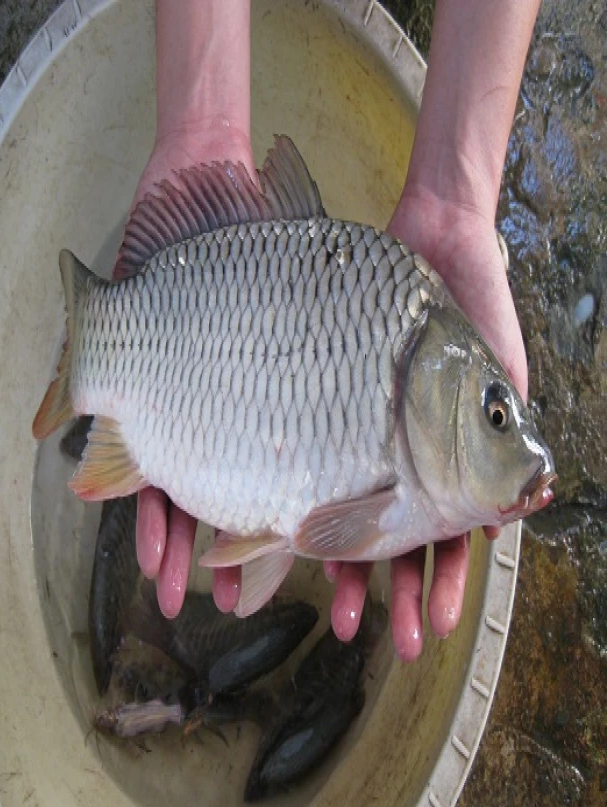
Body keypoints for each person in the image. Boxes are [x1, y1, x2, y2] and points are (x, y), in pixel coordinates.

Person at [125, 0, 541, 662]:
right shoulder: (411, 316)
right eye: (496, 412)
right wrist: (197, 121)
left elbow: (317, 529)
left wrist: (460, 192)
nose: (508, 430)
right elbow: (327, 530)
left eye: (499, 418)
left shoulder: (420, 312)